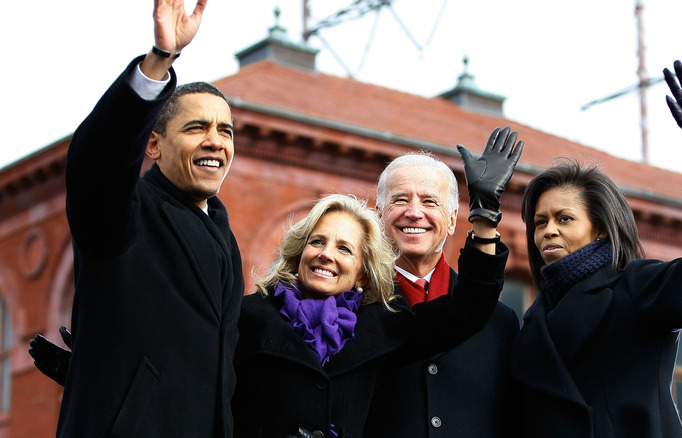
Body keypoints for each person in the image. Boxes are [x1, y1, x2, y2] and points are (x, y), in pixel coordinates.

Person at [28, 1, 244, 437]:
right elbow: (98, 159)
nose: (215, 141)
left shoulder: (222, 233)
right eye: (196, 128)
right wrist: (158, 62)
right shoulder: (126, 212)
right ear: (152, 146)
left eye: (225, 131)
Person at [510, 60, 682, 437]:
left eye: (564, 219)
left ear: (600, 232)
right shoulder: (534, 319)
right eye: (540, 222)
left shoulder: (635, 287)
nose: (548, 231)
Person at [231, 126, 522, 437]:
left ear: (361, 270)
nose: (327, 255)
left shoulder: (378, 325)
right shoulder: (250, 316)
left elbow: (470, 306)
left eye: (344, 248)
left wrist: (485, 214)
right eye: (317, 242)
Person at [363, 130, 521, 437]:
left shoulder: (501, 322)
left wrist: (485, 211)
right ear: (379, 215)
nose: (414, 212)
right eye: (400, 200)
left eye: (429, 201)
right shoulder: (351, 309)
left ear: (451, 221)